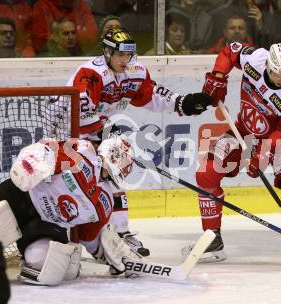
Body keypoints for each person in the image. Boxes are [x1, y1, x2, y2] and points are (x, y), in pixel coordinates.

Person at [66, 28, 212, 258]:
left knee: (113, 174)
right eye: (119, 55)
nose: (125, 60)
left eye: (128, 55)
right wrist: (101, 131)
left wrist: (182, 103)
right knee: (88, 179)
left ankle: (120, 234)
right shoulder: (90, 73)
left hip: (95, 130)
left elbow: (151, 94)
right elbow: (78, 111)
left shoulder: (134, 71)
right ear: (106, 52)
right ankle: (83, 236)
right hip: (66, 129)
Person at [185, 42, 281, 262]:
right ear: (267, 64)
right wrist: (218, 77)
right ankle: (213, 240)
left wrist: (263, 154)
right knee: (206, 172)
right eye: (277, 73)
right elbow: (230, 52)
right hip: (244, 131)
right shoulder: (255, 59)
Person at [0, 135, 138, 286]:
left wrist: (110, 252)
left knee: (47, 265)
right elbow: (46, 150)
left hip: (46, 226)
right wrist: (32, 163)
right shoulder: (83, 152)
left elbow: (88, 237)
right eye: (123, 162)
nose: (123, 166)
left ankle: (30, 259)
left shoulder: (105, 202)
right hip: (21, 197)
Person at [32, 0, 98, 54]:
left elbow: (92, 37)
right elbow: (40, 41)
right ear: (55, 37)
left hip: (80, 55)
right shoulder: (42, 6)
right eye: (66, 34)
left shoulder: (82, 5)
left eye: (73, 33)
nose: (71, 37)